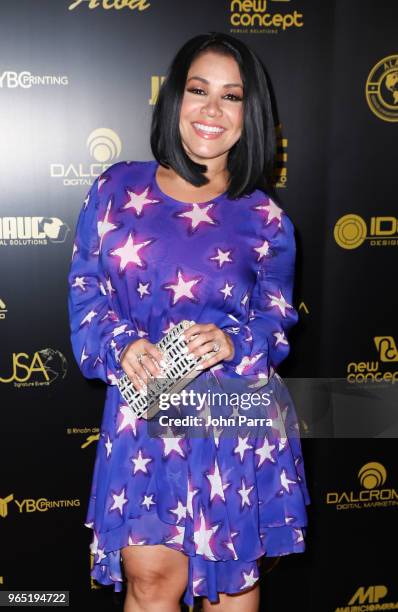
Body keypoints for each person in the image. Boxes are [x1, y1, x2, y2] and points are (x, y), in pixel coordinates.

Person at [68, 31, 311, 612]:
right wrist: (121, 344)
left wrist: (234, 341)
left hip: (233, 421)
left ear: (249, 114)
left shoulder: (267, 220)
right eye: (199, 90)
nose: (211, 109)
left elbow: (277, 322)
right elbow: (86, 297)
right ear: (174, 98)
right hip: (145, 418)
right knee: (151, 585)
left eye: (231, 96)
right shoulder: (113, 191)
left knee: (232, 595)